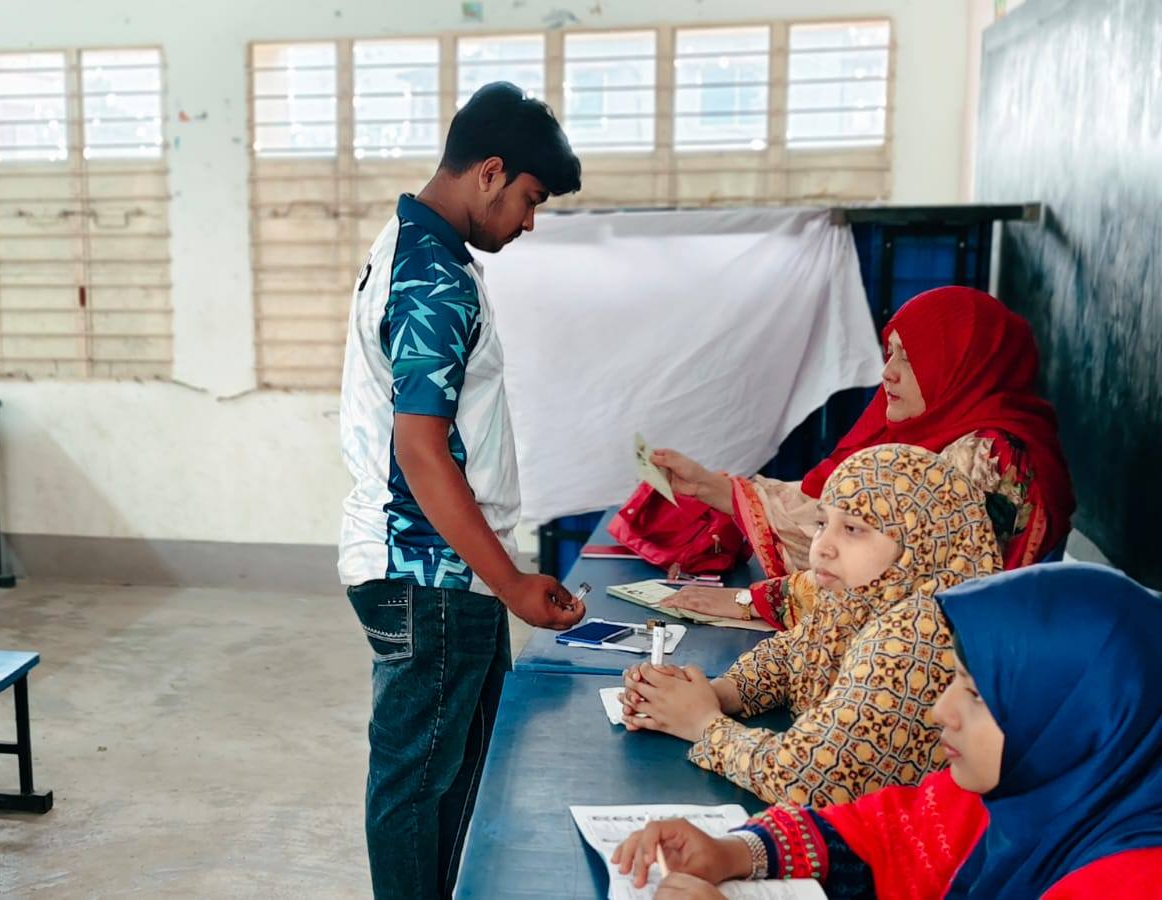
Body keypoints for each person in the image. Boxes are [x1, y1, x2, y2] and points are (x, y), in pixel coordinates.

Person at [337, 82, 584, 900]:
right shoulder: (431, 277)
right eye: (530, 199)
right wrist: (510, 582)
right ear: (489, 172)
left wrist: (501, 577)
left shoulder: (418, 249)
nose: (529, 221)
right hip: (429, 575)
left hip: (446, 571)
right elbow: (421, 452)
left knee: (459, 783)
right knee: (417, 789)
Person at [609, 563, 1162, 899]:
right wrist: (734, 853)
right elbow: (884, 833)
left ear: (1078, 722)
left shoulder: (1132, 881)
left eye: (975, 694)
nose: (941, 711)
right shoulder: (1011, 798)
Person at [653, 286, 1073, 630]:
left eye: (911, 357)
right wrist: (710, 486)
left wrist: (752, 601)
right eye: (891, 352)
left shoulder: (988, 455)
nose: (888, 371)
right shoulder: (936, 435)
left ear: (961, 365)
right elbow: (836, 516)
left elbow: (896, 585)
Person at [621, 444, 1000, 807]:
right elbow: (793, 653)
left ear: (919, 541)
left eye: (852, 529)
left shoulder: (920, 636)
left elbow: (808, 779)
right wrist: (713, 693)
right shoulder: (864, 594)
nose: (822, 547)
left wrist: (702, 722)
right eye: (822, 523)